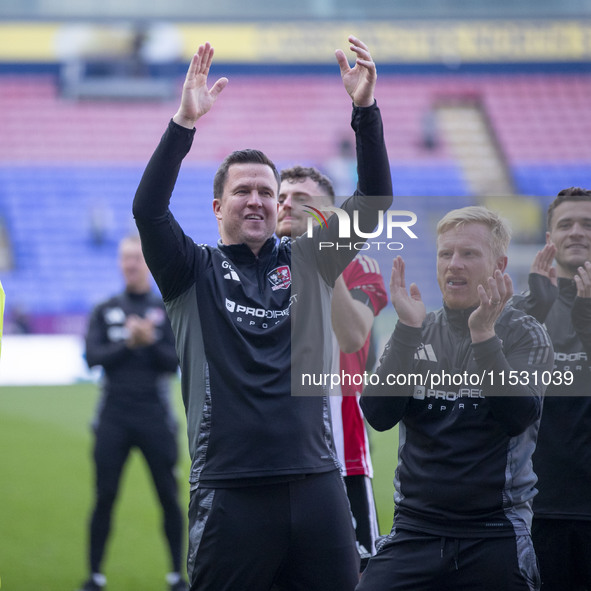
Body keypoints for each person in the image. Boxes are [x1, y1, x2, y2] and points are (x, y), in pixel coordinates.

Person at [132, 37, 392, 591]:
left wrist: (365, 112)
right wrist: (184, 122)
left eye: (266, 192)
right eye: (242, 190)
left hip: (318, 483)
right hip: (230, 489)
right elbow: (148, 209)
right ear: (217, 207)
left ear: (280, 206)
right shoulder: (189, 270)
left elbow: (373, 201)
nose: (256, 200)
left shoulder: (313, 258)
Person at [358, 206, 554, 591]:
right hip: (416, 529)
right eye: (445, 253)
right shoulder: (418, 330)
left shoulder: (525, 334)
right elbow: (378, 414)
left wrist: (484, 337)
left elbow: (518, 416)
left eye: (468, 253)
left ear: (499, 264)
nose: (454, 264)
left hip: (495, 532)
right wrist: (406, 334)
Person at [276, 165, 387, 570]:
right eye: (282, 197)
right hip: (271, 452)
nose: (287, 205)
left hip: (340, 452)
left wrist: (325, 256)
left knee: (354, 574)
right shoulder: (253, 268)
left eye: (302, 200)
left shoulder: (361, 268)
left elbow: (353, 337)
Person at [78, 235, 187, 591]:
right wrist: (128, 342)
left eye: (136, 259)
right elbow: (91, 358)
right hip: (113, 414)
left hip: (155, 414)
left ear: (148, 262)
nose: (130, 265)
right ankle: (94, 576)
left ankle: (177, 576)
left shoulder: (166, 307)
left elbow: (174, 363)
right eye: (125, 259)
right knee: (104, 496)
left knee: (168, 498)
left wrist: (149, 340)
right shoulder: (105, 308)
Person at [511, 187, 591, 591]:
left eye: (588, 224)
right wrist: (533, 317)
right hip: (534, 508)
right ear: (549, 239)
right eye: (566, 224)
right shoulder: (524, 308)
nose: (576, 232)